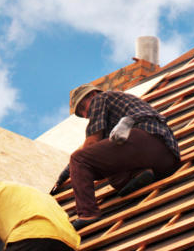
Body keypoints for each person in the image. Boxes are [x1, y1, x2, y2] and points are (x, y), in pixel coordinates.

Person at [54, 84, 180, 229]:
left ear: (93, 95)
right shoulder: (117, 106)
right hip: (168, 159)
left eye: (83, 107)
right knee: (113, 175)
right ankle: (139, 174)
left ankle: (87, 213)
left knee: (78, 158)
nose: (85, 115)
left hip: (143, 139)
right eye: (81, 113)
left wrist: (73, 166)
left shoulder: (101, 99)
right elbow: (101, 151)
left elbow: (91, 143)